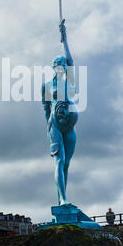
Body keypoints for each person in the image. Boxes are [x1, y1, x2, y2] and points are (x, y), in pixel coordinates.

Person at [42, 21, 78, 205]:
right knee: (59, 160)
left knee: (66, 164)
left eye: (62, 63)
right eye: (57, 64)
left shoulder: (69, 81)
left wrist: (64, 38)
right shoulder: (48, 85)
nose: (60, 65)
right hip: (55, 125)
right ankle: (62, 200)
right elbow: (45, 107)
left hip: (70, 126)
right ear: (53, 67)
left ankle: (63, 198)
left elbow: (71, 60)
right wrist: (50, 124)